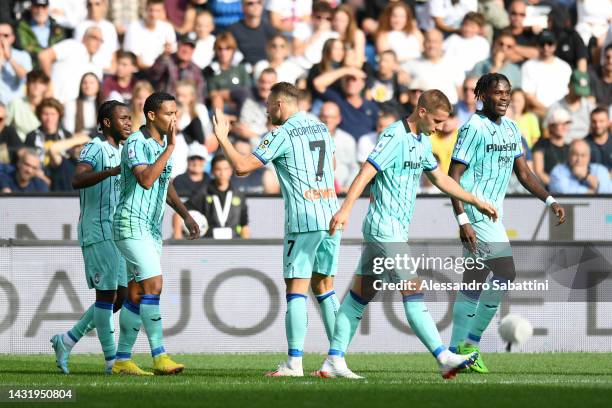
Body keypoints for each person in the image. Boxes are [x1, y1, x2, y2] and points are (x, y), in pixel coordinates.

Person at [312, 89, 497, 379]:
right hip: (385, 229)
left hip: (388, 230)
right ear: (421, 112)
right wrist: (345, 208)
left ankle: (334, 360)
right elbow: (365, 173)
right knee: (412, 290)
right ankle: (442, 356)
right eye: (436, 121)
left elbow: (440, 179)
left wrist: (476, 201)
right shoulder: (393, 136)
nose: (438, 128)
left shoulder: (423, 141)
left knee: (359, 296)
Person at [211, 82, 343, 377]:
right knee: (325, 287)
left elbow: (243, 167)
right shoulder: (320, 126)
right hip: (331, 213)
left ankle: (294, 363)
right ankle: (338, 360)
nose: (268, 112)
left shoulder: (280, 134)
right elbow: (332, 164)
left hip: (304, 219)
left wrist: (223, 138)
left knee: (296, 289)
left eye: (269, 106)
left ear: (280, 105)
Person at [447, 73, 565, 374]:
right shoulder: (472, 127)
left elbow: (524, 174)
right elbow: (453, 176)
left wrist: (550, 201)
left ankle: (453, 351)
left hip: (493, 213)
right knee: (506, 271)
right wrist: (463, 220)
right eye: (497, 92)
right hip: (476, 212)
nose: (504, 97)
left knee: (473, 282)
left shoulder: (512, 128)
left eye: (507, 92)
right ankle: (471, 343)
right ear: (483, 95)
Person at [50, 101, 151, 376]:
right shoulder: (96, 148)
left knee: (118, 298)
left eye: (131, 118)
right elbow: (77, 180)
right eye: (123, 119)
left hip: (115, 231)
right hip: (96, 230)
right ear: (107, 122)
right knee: (106, 295)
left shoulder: (124, 150)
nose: (129, 123)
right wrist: (111, 171)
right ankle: (111, 362)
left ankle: (67, 340)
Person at [113, 92, 200, 375]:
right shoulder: (137, 143)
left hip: (150, 229)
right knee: (154, 285)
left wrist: (185, 214)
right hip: (130, 224)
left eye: (176, 113)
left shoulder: (162, 143)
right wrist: (171, 147)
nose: (174, 119)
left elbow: (165, 183)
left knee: (137, 293)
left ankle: (122, 360)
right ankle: (160, 356)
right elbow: (147, 180)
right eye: (168, 114)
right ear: (151, 115)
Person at [184, 154, 250, 239]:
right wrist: (177, 236)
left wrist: (246, 245)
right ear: (212, 171)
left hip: (234, 244)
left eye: (226, 169)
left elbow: (244, 225)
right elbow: (182, 211)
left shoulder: (239, 195)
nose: (222, 173)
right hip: (209, 243)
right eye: (218, 169)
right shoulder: (203, 192)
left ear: (231, 171)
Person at [37, 26, 104, 103]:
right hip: (53, 106)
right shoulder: (73, 46)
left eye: (101, 40)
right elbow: (44, 56)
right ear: (84, 38)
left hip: (77, 111)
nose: (98, 43)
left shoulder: (97, 66)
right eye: (94, 38)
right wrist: (48, 86)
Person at [314, 67, 380, 140]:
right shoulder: (337, 99)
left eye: (354, 79)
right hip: (342, 146)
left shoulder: (371, 106)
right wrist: (346, 70)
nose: (350, 83)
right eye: (347, 79)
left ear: (363, 84)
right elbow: (318, 83)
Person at [403, 29, 464, 105]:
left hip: (450, 109)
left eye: (435, 42)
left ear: (442, 43)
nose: (432, 45)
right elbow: (398, 71)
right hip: (424, 110)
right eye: (429, 41)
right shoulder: (413, 63)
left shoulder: (454, 63)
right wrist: (401, 73)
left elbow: (460, 91)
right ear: (423, 43)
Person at [521, 30, 572, 116]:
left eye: (550, 43)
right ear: (537, 46)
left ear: (555, 46)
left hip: (563, 112)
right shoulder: (528, 66)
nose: (546, 47)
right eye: (542, 44)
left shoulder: (565, 67)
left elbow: (569, 92)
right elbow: (528, 95)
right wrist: (548, 111)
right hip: (539, 113)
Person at [147, 32, 205, 103]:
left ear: (194, 50)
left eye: (191, 47)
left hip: (185, 109)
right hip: (164, 106)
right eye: (184, 45)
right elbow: (153, 75)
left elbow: (199, 96)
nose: (186, 50)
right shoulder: (166, 60)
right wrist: (164, 56)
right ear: (178, 45)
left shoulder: (196, 70)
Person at [203, 32, 252, 114]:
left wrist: (225, 94)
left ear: (233, 50)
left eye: (227, 48)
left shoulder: (241, 68)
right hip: (221, 108)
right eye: (220, 48)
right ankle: (220, 123)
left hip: (241, 105)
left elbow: (247, 91)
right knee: (217, 100)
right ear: (215, 50)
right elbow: (213, 94)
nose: (223, 52)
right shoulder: (211, 70)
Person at [123, 0, 177, 69]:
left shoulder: (168, 28)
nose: (153, 15)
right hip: (140, 72)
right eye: (151, 10)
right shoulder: (134, 27)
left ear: (163, 11)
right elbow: (134, 59)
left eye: (158, 11)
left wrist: (168, 52)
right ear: (145, 10)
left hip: (161, 73)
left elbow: (172, 53)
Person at [544, 70, 596, 142]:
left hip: (585, 146)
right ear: (569, 85)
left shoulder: (590, 107)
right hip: (562, 146)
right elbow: (546, 130)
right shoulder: (555, 107)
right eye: (577, 90)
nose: (579, 94)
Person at [319, 101, 358, 192]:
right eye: (325, 116)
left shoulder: (348, 139)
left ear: (339, 119)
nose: (328, 120)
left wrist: (348, 187)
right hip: (316, 193)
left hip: (342, 193)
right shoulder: (308, 139)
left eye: (332, 117)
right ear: (319, 117)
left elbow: (354, 167)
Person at [73, 0, 119, 73]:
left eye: (97, 4)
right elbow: (78, 53)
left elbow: (113, 55)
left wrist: (112, 72)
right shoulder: (80, 27)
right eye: (89, 4)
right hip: (87, 72)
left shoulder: (110, 27)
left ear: (103, 5)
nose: (93, 8)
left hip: (106, 72)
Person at [233, 67, 277, 144]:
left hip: (261, 148)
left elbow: (276, 138)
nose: (265, 86)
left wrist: (251, 135)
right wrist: (230, 121)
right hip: (237, 140)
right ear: (257, 81)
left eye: (269, 83)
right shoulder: (246, 92)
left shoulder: (279, 105)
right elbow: (219, 96)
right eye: (262, 82)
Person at [16, 0, 66, 65]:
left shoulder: (56, 27)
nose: (40, 11)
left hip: (54, 64)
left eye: (43, 7)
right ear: (31, 8)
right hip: (33, 65)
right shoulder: (22, 27)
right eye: (37, 7)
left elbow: (61, 47)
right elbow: (25, 46)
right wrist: (46, 55)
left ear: (48, 9)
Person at [228, 0, 277, 66]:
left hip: (265, 68)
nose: (255, 6)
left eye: (259, 2)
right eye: (250, 3)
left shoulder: (270, 30)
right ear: (242, 8)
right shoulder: (233, 30)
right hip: (241, 69)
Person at [6, 69, 49, 141]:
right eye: (33, 82)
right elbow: (4, 125)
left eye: (41, 83)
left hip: (43, 145)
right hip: (19, 146)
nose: (36, 86)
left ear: (46, 86)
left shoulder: (50, 106)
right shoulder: (16, 103)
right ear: (27, 84)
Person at [533, 108, 571, 186]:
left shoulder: (569, 148)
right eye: (560, 124)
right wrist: (555, 186)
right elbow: (538, 171)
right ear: (551, 126)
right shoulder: (541, 145)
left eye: (566, 123)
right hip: (548, 189)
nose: (564, 127)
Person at [0, 20, 32, 105]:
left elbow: (27, 78)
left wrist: (9, 59)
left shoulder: (23, 56)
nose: (1, 39)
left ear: (13, 38)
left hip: (16, 104)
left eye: (5, 35)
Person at [332, 4, 366, 69]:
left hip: (352, 69)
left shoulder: (357, 34)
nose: (338, 24)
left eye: (342, 21)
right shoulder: (329, 34)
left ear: (349, 21)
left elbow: (359, 62)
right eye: (336, 20)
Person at [588, 44, 612, 108]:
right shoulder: (592, 73)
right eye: (607, 57)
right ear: (603, 57)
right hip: (595, 113)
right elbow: (590, 102)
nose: (610, 61)